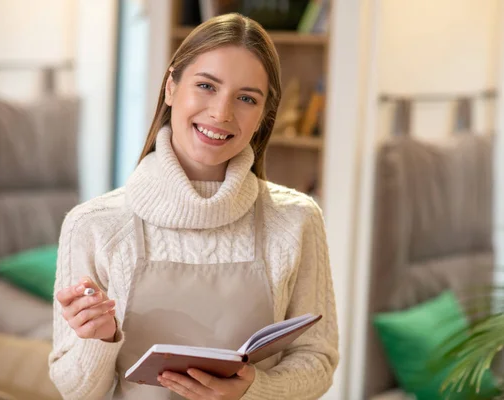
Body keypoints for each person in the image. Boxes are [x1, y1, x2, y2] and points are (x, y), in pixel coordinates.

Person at [48, 13, 338, 400]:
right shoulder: (93, 225)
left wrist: (254, 389)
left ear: (263, 115)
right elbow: (76, 391)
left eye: (247, 98)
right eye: (206, 86)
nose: (221, 113)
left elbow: (318, 361)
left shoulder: (297, 219)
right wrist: (97, 340)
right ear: (171, 87)